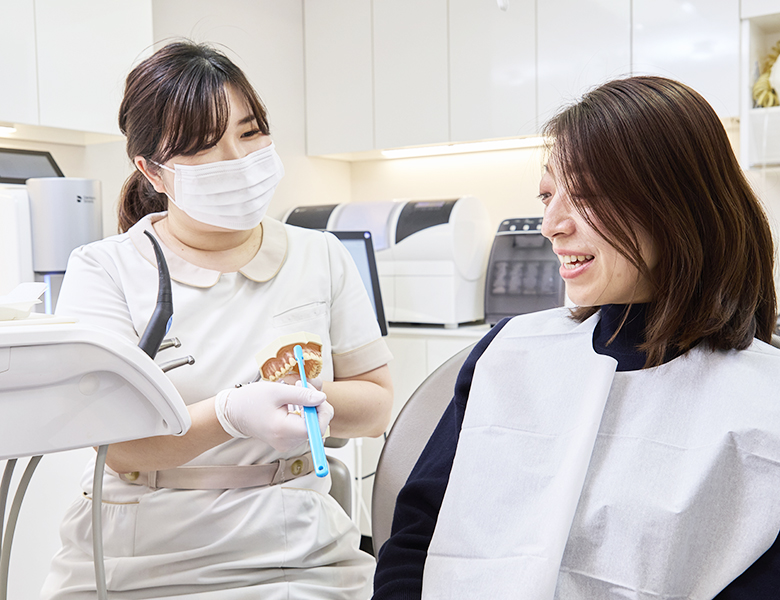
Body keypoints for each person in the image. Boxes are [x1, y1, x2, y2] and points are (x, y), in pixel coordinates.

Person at [372, 76, 780, 599]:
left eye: (585, 194)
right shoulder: (509, 352)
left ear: (678, 204)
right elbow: (414, 540)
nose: (550, 224)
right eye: (547, 195)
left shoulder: (763, 404)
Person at [41, 41, 393, 599]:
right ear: (151, 172)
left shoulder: (319, 255)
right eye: (204, 145)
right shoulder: (105, 269)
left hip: (298, 553)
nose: (237, 158)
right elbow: (122, 447)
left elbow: (376, 404)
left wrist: (312, 399)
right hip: (140, 555)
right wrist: (231, 414)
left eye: (250, 133)